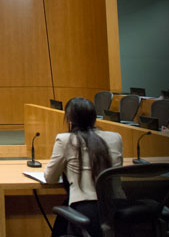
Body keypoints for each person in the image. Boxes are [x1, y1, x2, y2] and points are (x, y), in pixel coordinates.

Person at [44, 97, 123, 237]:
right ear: (94, 117)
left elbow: (50, 178)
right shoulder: (116, 138)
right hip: (116, 207)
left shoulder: (65, 140)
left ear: (69, 119)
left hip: (86, 209)